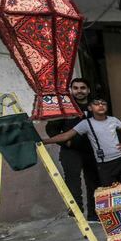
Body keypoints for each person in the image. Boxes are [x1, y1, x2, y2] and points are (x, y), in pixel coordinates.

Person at [43, 96, 121, 219]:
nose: (100, 105)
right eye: (96, 104)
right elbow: (66, 136)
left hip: (120, 160)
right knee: (110, 192)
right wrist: (44, 141)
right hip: (104, 164)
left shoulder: (113, 120)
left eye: (103, 103)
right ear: (90, 108)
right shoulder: (86, 124)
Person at [45, 78, 99, 222]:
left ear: (88, 90)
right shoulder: (65, 107)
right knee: (73, 181)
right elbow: (51, 129)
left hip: (91, 151)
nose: (79, 91)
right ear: (71, 90)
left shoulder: (95, 106)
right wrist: (66, 143)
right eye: (75, 88)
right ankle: (78, 213)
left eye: (82, 88)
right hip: (71, 151)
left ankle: (93, 215)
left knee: (93, 182)